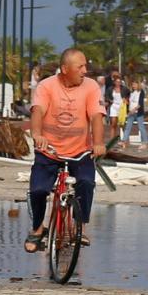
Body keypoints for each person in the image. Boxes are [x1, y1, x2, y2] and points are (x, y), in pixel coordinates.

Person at [24, 49, 106, 254]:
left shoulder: (91, 87)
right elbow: (38, 111)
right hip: (49, 150)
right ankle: (37, 228)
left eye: (86, 66)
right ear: (65, 69)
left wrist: (98, 143)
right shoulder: (46, 86)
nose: (85, 71)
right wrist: (37, 135)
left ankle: (80, 226)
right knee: (38, 190)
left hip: (80, 151)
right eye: (80, 67)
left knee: (86, 183)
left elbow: (96, 116)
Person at [120, 80, 148, 150]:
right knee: (128, 127)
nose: (133, 86)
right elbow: (130, 102)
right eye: (132, 84)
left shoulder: (141, 92)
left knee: (141, 127)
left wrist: (134, 110)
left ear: (138, 85)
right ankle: (124, 141)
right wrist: (126, 102)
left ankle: (144, 142)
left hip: (138, 112)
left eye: (135, 84)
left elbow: (140, 104)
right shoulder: (131, 92)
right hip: (131, 112)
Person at [107, 76, 128, 141]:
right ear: (114, 82)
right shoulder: (110, 89)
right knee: (113, 123)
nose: (118, 83)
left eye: (119, 82)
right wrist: (110, 100)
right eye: (117, 82)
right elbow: (107, 96)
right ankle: (112, 139)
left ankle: (125, 139)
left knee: (122, 124)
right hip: (114, 106)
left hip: (121, 107)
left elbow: (129, 94)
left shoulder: (124, 88)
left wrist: (126, 99)